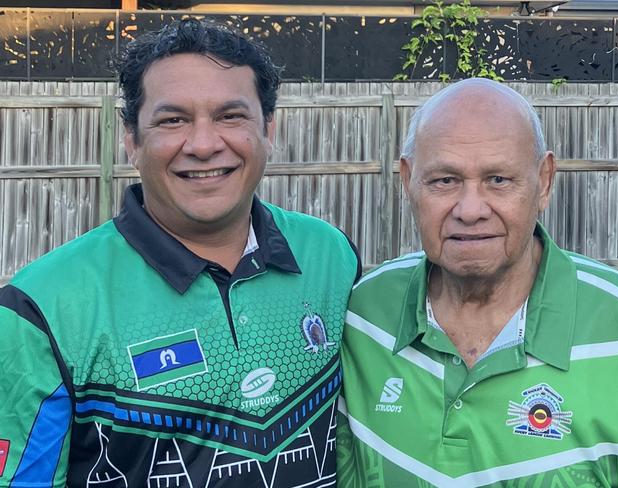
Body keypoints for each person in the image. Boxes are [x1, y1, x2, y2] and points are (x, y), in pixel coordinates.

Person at [0, 18, 359, 487]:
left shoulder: (332, 256)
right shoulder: (41, 307)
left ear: (269, 128)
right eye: (173, 120)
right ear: (131, 138)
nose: (205, 144)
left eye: (231, 116)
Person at [337, 78, 618, 487]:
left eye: (498, 180)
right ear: (407, 182)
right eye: (444, 180)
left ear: (545, 182)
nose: (470, 210)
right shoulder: (361, 313)